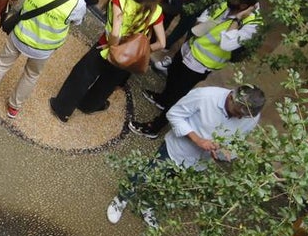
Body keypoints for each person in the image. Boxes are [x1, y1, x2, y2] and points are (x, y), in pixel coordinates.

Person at [107, 84, 265, 227]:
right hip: (176, 150)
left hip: (199, 163)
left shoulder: (251, 116)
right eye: (237, 112)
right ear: (231, 97)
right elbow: (174, 114)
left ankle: (148, 205)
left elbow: (239, 139)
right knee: (148, 174)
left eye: (243, 116)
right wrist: (198, 140)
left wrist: (228, 152)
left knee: (170, 187)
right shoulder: (205, 96)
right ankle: (121, 199)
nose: (239, 118)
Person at [130, 0, 262, 138]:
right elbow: (204, 17)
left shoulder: (252, 24)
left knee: (179, 95)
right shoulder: (228, 2)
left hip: (201, 63)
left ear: (243, 6)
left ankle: (155, 127)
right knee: (173, 74)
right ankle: (163, 99)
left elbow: (227, 44)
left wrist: (237, 19)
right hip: (189, 48)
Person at [49, 0, 167, 122]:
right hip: (128, 57)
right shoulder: (156, 11)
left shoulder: (120, 1)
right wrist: (139, 51)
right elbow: (162, 43)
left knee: (82, 75)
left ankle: (62, 109)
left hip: (105, 47)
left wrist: (114, 48)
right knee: (108, 83)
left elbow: (116, 33)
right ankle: (89, 105)